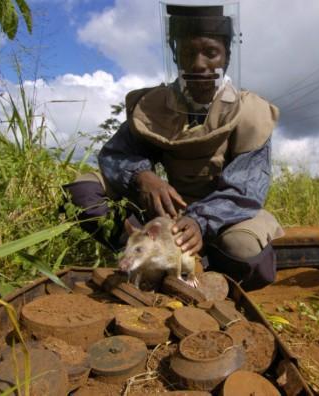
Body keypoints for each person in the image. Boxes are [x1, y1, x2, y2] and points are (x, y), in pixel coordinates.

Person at [63, 2, 283, 290]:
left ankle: (203, 263)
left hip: (226, 217)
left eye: (211, 53)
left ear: (227, 56)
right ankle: (145, 257)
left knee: (243, 252)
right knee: (80, 193)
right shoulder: (155, 106)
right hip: (166, 218)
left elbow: (246, 190)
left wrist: (199, 222)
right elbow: (117, 154)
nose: (199, 64)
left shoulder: (251, 113)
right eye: (188, 53)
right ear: (175, 54)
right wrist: (141, 176)